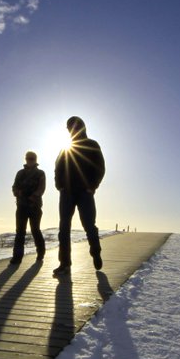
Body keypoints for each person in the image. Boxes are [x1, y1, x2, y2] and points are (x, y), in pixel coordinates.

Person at [53, 116, 105, 276]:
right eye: (69, 127)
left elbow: (100, 168)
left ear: (82, 127)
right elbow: (58, 168)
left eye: (74, 127)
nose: (71, 130)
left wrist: (92, 186)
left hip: (85, 193)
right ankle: (65, 264)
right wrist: (59, 185)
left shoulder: (92, 145)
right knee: (63, 228)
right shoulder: (65, 148)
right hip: (67, 193)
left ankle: (95, 252)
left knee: (89, 226)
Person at [9, 150, 47, 264]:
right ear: (25, 159)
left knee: (35, 230)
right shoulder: (20, 173)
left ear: (35, 160)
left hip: (34, 206)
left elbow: (41, 188)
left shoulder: (41, 173)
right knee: (20, 232)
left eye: (32, 158)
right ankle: (17, 257)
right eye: (28, 158)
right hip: (21, 207)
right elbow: (14, 187)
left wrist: (33, 196)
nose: (29, 160)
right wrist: (18, 193)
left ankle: (40, 253)